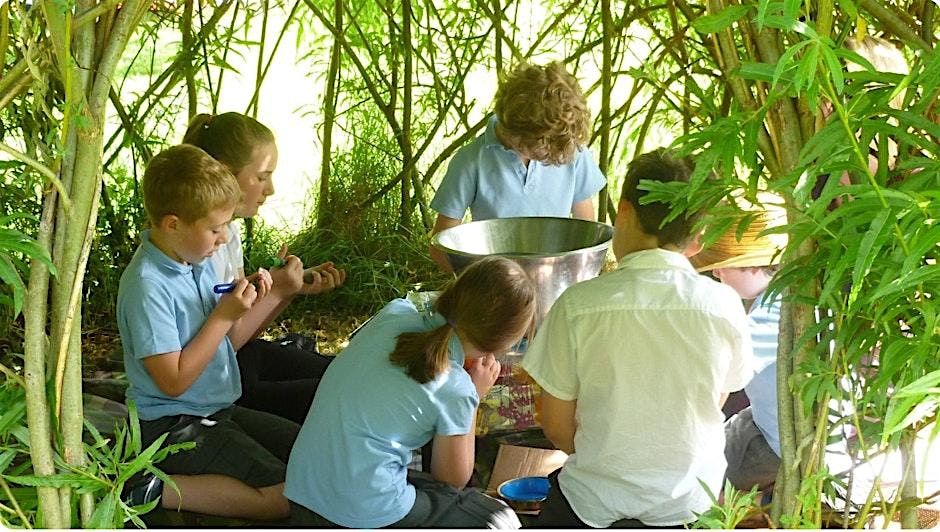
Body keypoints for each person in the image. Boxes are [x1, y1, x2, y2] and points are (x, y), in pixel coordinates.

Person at [521, 149, 755, 528]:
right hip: (689, 505)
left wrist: (611, 460)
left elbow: (556, 425)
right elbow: (715, 400)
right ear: (696, 240)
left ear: (624, 212)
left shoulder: (578, 305)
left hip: (591, 504)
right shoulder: (725, 305)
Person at [285, 256, 534, 528]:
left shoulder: (395, 312)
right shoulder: (456, 388)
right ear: (502, 344)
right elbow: (452, 480)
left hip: (302, 495)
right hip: (359, 514)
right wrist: (474, 395)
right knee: (499, 519)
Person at [117, 144, 296, 520]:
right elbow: (173, 382)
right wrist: (222, 317)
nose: (224, 238)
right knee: (289, 496)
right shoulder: (148, 286)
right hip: (171, 425)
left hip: (216, 408)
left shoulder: (191, 260)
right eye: (215, 229)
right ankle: (151, 489)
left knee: (308, 452)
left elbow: (223, 344)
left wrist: (259, 299)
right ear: (172, 223)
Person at [182, 112, 346, 424]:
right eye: (261, 176)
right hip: (214, 385)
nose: (270, 189)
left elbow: (240, 333)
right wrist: (280, 290)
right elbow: (222, 343)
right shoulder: (199, 246)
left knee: (340, 372)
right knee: (336, 393)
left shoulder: (227, 235)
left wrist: (287, 290)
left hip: (240, 359)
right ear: (226, 176)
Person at [429, 62, 607, 271]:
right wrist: (478, 285)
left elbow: (585, 240)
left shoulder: (570, 149)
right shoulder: (471, 161)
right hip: (497, 286)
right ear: (517, 134)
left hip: (557, 281)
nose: (557, 155)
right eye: (546, 149)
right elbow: (439, 248)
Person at [691, 204, 788, 494]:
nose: (717, 273)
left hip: (779, 444)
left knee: (697, 478)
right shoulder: (781, 293)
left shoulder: (776, 312)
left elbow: (722, 371)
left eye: (723, 265)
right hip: (762, 422)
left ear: (755, 265)